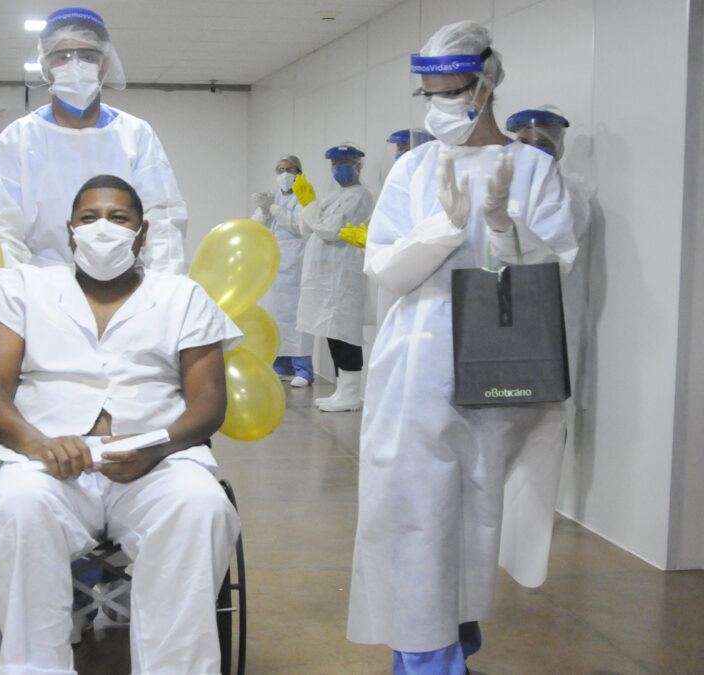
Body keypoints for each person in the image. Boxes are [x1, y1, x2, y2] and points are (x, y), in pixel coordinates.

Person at [346, 22, 577, 674]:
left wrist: (505, 226)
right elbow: (386, 268)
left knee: (475, 519)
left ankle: (453, 641)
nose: (438, 109)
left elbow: (550, 277)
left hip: (500, 370)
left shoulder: (532, 172)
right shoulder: (414, 169)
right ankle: (428, 660)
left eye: (451, 94)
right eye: (429, 95)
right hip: (415, 368)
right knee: (415, 518)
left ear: (489, 82)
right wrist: (444, 229)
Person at [0, 175, 242, 673]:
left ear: (142, 230)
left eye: (119, 218)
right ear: (70, 232)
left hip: (160, 460)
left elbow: (208, 402)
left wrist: (156, 447)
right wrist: (38, 443)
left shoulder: (182, 296)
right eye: (89, 218)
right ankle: (35, 666)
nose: (103, 228)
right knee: (17, 506)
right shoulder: (20, 288)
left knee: (201, 506)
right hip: (48, 460)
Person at [0, 7, 188, 273]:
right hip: (42, 289)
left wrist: (163, 294)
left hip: (123, 291)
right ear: (45, 66)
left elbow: (163, 223)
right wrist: (22, 297)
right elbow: (1, 232)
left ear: (105, 65)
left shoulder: (135, 134)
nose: (75, 66)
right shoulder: (18, 138)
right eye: (62, 57)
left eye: (88, 56)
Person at [497, 105, 594, 595]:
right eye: (526, 136)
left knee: (543, 424)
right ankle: (502, 521)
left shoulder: (572, 191)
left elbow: (556, 256)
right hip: (503, 318)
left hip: (552, 317)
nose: (535, 144)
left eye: (544, 138)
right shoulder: (502, 183)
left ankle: (533, 521)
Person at [281, 144, 374, 412]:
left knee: (345, 334)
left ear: (357, 166)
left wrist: (310, 206)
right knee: (333, 334)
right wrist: (310, 208)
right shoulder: (335, 197)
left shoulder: (360, 197)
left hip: (343, 276)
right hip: (326, 277)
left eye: (344, 162)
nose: (338, 169)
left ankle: (351, 393)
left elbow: (329, 229)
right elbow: (305, 228)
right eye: (334, 164)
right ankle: (341, 390)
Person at [251, 154, 314, 386]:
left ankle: (304, 369)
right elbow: (255, 226)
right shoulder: (274, 197)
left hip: (295, 264)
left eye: (290, 169)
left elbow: (300, 225)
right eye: (280, 170)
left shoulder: (305, 197)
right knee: (275, 317)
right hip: (275, 265)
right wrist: (265, 210)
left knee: (296, 318)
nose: (284, 174)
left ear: (299, 173)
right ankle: (282, 366)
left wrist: (274, 209)